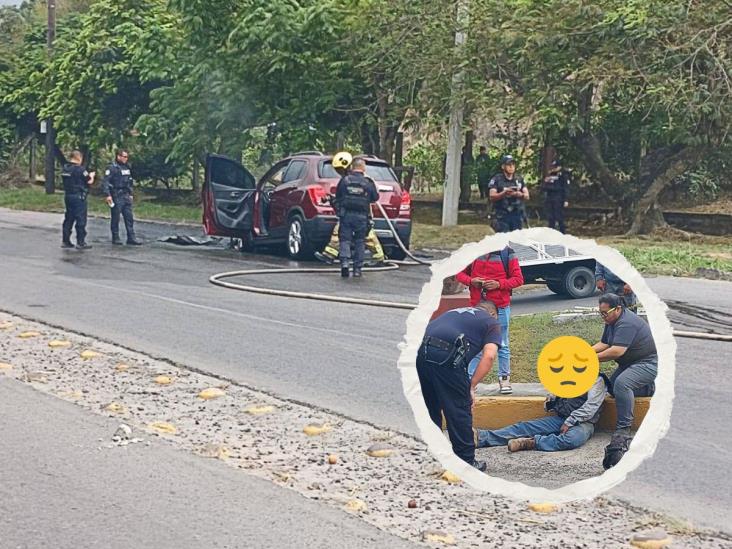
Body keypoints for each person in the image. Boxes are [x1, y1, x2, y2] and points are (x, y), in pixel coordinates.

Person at [417, 300, 502, 471]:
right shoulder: (491, 322)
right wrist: (470, 386)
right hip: (447, 357)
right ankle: (465, 462)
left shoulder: (453, 312)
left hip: (419, 353)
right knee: (458, 409)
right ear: (493, 314)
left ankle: (430, 455)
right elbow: (490, 356)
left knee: (430, 406)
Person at [593, 293, 657, 468]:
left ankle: (623, 430)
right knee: (615, 388)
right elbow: (605, 343)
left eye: (605, 313)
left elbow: (616, 351)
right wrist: (584, 352)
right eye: (601, 313)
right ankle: (648, 388)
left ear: (618, 309)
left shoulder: (626, 323)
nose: (602, 316)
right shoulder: (611, 321)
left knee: (622, 384)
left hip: (648, 363)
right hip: (629, 364)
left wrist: (590, 359)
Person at [476, 375, 607, 452]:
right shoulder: (567, 375)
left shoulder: (596, 379)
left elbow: (591, 406)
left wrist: (570, 421)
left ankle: (532, 442)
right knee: (524, 427)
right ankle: (482, 437)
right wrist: (552, 400)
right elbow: (555, 394)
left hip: (583, 423)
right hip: (561, 418)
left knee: (573, 439)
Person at [455, 246, 524, 394]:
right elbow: (459, 274)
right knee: (474, 343)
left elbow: (518, 279)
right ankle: (468, 381)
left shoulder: (507, 253)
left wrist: (499, 284)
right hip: (477, 308)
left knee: (502, 344)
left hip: (500, 308)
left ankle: (504, 379)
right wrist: (471, 281)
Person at [334, 157, 379, 278]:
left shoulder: (345, 180)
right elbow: (375, 198)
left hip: (346, 215)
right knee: (360, 241)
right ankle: (357, 269)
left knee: (345, 240)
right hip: (362, 217)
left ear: (352, 167)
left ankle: (344, 263)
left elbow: (338, 196)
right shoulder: (367, 182)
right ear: (363, 168)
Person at [103, 149, 142, 245]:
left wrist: (131, 193)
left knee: (129, 217)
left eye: (127, 157)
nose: (126, 159)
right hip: (116, 195)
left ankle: (131, 238)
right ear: (118, 156)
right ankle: (115, 237)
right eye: (124, 157)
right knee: (115, 217)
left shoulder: (126, 168)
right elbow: (106, 182)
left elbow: (129, 182)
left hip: (126, 195)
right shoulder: (112, 168)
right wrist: (108, 195)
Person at [61, 150, 95, 250]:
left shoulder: (66, 169)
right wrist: (92, 175)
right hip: (79, 197)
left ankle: (65, 240)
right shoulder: (80, 170)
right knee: (81, 219)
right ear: (79, 158)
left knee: (69, 218)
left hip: (68, 196)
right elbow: (89, 181)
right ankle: (81, 242)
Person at [488, 154, 529, 232]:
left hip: (516, 214)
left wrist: (520, 195)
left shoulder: (519, 179)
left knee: (516, 239)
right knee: (502, 240)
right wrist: (504, 193)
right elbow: (492, 196)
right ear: (503, 166)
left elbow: (527, 196)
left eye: (513, 165)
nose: (511, 167)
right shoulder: (497, 179)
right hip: (502, 215)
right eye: (508, 165)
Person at [542, 159, 570, 233]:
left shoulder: (563, 175)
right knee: (551, 217)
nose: (554, 168)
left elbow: (565, 188)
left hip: (559, 197)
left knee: (559, 216)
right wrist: (546, 182)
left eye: (556, 167)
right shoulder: (551, 175)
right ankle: (551, 231)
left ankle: (562, 232)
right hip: (550, 197)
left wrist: (566, 199)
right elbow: (545, 187)